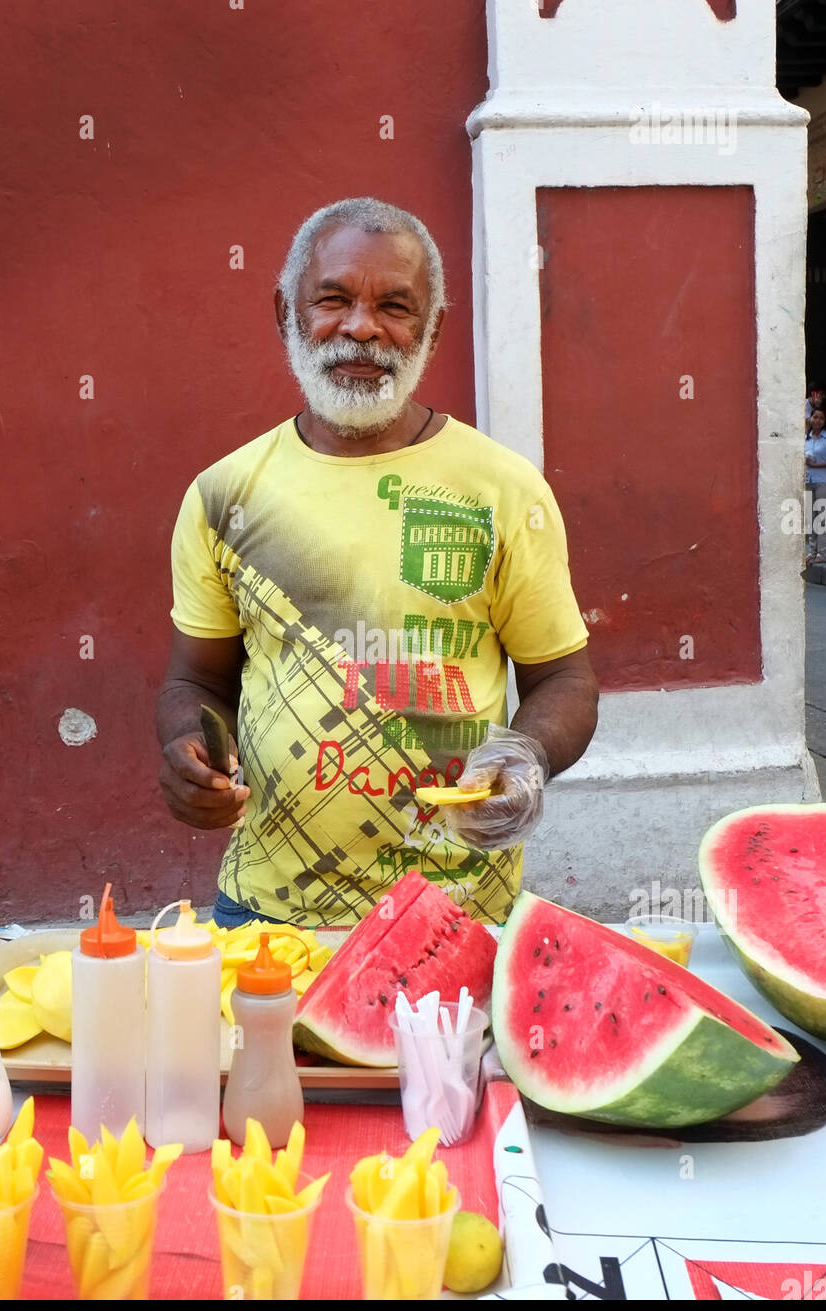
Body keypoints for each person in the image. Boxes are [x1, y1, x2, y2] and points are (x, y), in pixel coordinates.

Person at [156, 197, 599, 929]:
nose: (362, 327)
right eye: (333, 298)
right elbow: (194, 677)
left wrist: (527, 755)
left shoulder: (504, 488)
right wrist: (187, 751)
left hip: (460, 909)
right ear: (285, 312)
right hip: (267, 913)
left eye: (395, 305)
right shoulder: (222, 495)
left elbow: (564, 678)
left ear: (434, 329)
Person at [803, 407, 826, 564]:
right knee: (811, 518)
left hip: (823, 481)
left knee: (822, 517)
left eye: (821, 418)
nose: (817, 420)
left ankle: (823, 554)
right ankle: (812, 551)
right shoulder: (805, 438)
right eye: (815, 417)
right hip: (808, 480)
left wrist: (816, 465)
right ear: (810, 419)